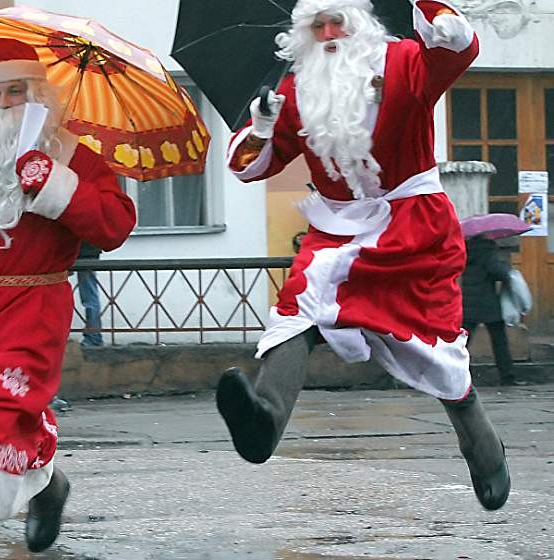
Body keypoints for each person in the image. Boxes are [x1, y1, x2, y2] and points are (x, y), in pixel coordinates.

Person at [217, 0, 510, 511]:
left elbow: (457, 52)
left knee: (436, 346)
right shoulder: (295, 89)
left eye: (338, 21)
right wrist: (262, 126)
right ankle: (263, 421)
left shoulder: (401, 63)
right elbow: (247, 168)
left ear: (360, 24)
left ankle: (483, 449)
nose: (329, 32)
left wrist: (436, 13)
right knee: (297, 313)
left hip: (412, 227)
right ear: (304, 33)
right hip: (336, 230)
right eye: (317, 25)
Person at [0, 37, 136, 559]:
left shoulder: (74, 156)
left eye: (18, 92)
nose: (7, 104)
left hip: (36, 307)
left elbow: (114, 225)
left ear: (39, 98)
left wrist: (54, 183)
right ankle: (50, 488)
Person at [461, 235, 517, 385]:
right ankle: (507, 376)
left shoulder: (463, 249)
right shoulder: (488, 250)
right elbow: (497, 272)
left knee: (462, 342)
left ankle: (458, 375)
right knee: (499, 341)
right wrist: (506, 267)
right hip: (488, 302)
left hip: (468, 302)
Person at [77, 241, 104, 347]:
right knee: (90, 295)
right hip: (90, 251)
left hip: (80, 251)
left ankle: (94, 337)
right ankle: (94, 336)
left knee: (89, 297)